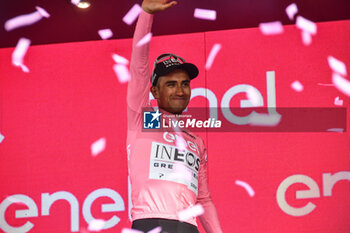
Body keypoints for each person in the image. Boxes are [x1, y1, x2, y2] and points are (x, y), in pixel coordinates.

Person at [126, 0, 223, 232]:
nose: (180, 90)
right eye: (171, 84)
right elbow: (139, 69)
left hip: (189, 227)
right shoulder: (144, 119)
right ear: (155, 91)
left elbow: (203, 199)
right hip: (150, 222)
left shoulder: (195, 141)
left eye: (185, 84)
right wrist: (146, 14)